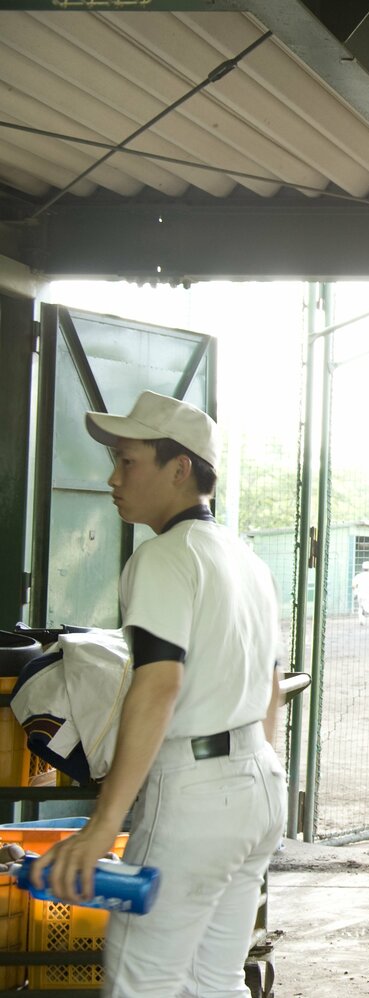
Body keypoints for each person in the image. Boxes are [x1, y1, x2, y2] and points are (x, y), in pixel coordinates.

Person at [32, 390, 286, 997]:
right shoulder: (246, 558)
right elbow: (272, 689)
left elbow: (159, 683)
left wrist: (102, 827)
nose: (113, 478)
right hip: (259, 787)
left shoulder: (165, 556)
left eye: (128, 461)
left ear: (179, 468)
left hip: (195, 795)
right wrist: (248, 775)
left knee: (141, 984)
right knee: (213, 982)